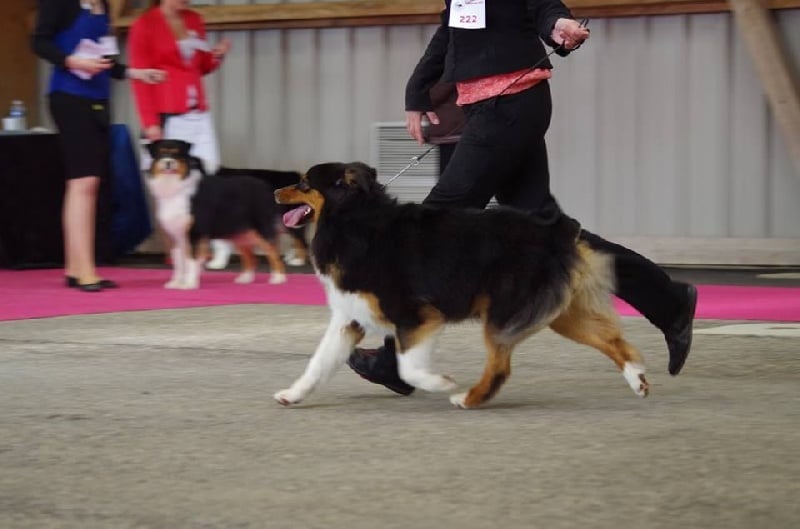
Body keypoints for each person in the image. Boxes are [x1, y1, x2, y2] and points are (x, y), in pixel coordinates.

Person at [346, 0, 697, 395]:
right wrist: (417, 92)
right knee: (549, 233)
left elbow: (541, 5)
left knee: (430, 229)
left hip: (508, 106)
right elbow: (451, 31)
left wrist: (559, 25)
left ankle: (396, 362)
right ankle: (669, 301)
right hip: (494, 110)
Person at [31, 0, 165, 292]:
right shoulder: (60, 3)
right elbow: (39, 42)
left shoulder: (101, 6)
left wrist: (135, 73)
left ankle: (75, 267)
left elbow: (104, 59)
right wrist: (72, 61)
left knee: (87, 184)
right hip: (69, 97)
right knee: (84, 182)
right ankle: (85, 270)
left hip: (98, 99)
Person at [128, 0, 233, 270]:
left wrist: (217, 56)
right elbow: (140, 78)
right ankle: (176, 253)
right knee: (169, 186)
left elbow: (201, 65)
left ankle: (210, 245)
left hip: (197, 112)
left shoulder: (194, 19)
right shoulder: (144, 25)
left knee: (210, 176)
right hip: (166, 113)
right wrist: (150, 122)